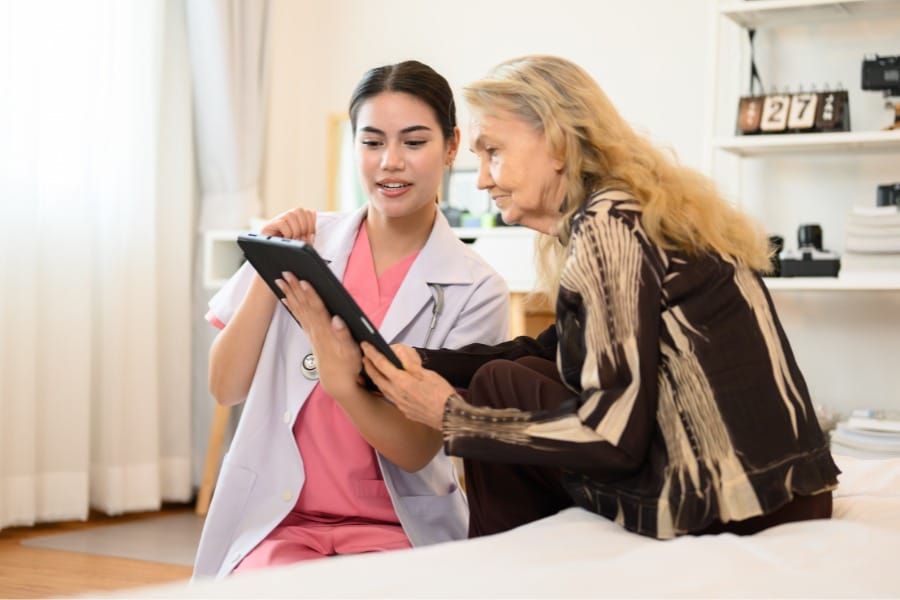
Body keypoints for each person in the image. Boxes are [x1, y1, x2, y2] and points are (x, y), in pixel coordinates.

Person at [298, 54, 840, 540]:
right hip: (782, 489)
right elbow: (549, 346)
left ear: (556, 144)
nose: (482, 179)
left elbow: (613, 439)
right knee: (511, 373)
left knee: (495, 388)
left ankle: (501, 567)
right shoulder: (630, 212)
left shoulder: (612, 230)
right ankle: (518, 552)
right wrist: (424, 361)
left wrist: (452, 416)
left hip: (732, 501)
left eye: (494, 153)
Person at [192, 60, 510, 578]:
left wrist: (343, 382)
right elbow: (225, 386)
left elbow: (415, 449)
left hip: (396, 530)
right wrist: (268, 266)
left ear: (452, 146)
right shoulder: (301, 243)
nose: (390, 163)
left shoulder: (477, 289)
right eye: (372, 142)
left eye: (414, 142)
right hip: (280, 522)